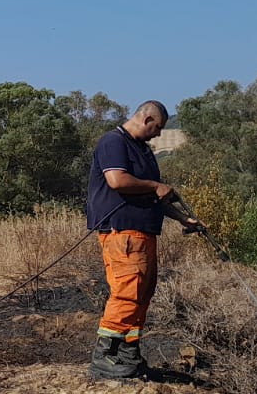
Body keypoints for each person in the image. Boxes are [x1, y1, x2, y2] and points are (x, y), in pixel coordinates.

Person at [85, 100, 203, 379]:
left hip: (144, 233)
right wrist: (155, 185)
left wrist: (182, 218)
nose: (158, 134)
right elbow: (117, 180)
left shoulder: (144, 151)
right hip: (122, 232)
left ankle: (128, 353)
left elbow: (154, 196)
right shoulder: (114, 142)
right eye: (158, 128)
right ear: (147, 118)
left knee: (142, 293)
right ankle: (105, 357)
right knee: (127, 292)